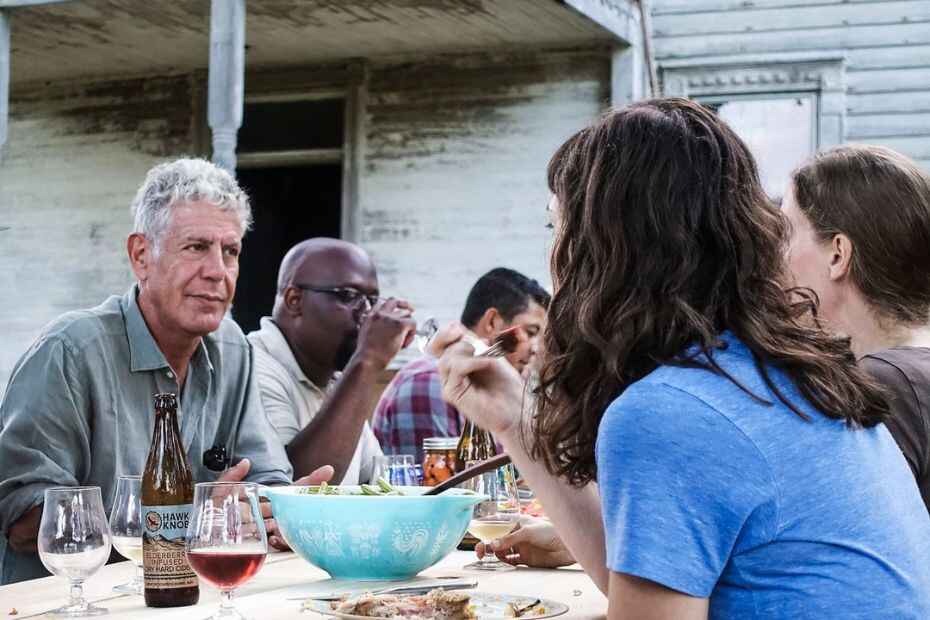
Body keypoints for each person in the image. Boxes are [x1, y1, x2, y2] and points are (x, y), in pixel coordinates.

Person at [435, 99, 930, 619]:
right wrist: (516, 422)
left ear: (600, 248)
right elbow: (654, 581)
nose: (555, 253)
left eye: (556, 228)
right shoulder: (778, 374)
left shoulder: (674, 411)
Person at [0, 158, 329, 584]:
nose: (217, 272)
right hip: (67, 605)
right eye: (196, 247)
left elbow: (263, 482)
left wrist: (283, 510)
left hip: (191, 597)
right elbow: (23, 519)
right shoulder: (70, 351)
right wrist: (186, 514)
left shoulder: (233, 349)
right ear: (141, 256)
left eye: (230, 252)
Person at [784, 144, 930, 513]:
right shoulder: (913, 371)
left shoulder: (885, 383)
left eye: (787, 233)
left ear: (838, 254)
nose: (776, 256)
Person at [248, 238, 417, 484]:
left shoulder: (336, 378)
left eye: (372, 300)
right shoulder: (253, 366)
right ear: (294, 300)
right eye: (349, 296)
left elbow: (378, 483)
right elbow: (292, 490)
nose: (367, 313)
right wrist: (368, 359)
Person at [372, 267, 548, 464]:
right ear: (492, 322)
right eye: (531, 332)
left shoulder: (495, 388)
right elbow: (438, 488)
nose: (536, 349)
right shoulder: (429, 381)